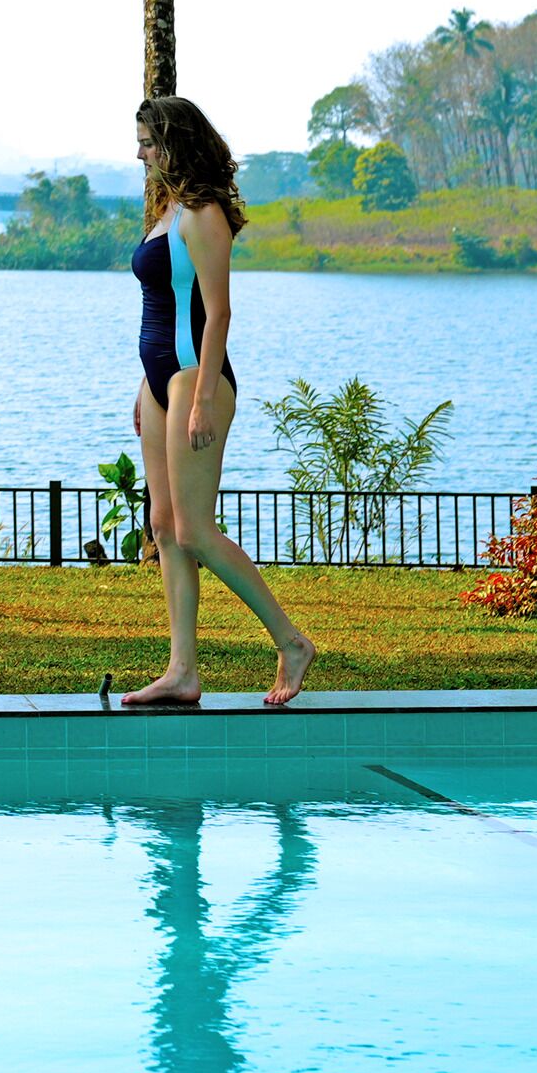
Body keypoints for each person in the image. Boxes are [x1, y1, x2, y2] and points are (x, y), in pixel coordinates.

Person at [120, 94, 317, 708]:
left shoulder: (203, 215)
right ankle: (183, 671)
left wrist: (202, 396)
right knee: (163, 525)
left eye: (148, 141)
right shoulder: (166, 211)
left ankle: (290, 641)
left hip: (194, 379)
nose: (139, 152)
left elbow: (218, 312)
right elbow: (161, 303)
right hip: (159, 382)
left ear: (174, 141)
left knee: (196, 530)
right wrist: (142, 389)